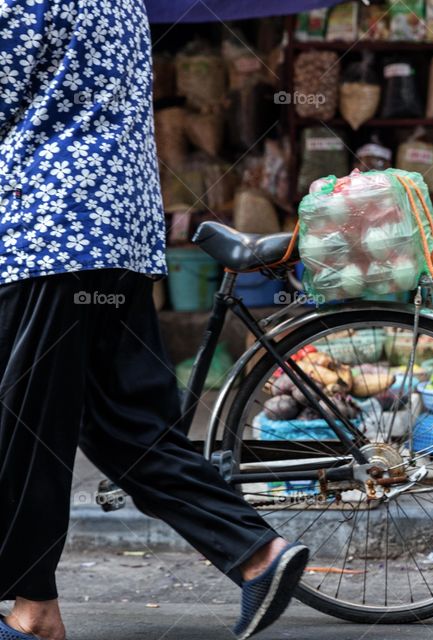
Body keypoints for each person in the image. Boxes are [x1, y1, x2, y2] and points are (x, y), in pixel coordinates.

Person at [0, 3, 308, 639]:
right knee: (125, 423)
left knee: (26, 425)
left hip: (49, 232)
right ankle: (258, 555)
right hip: (121, 228)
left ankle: (33, 609)